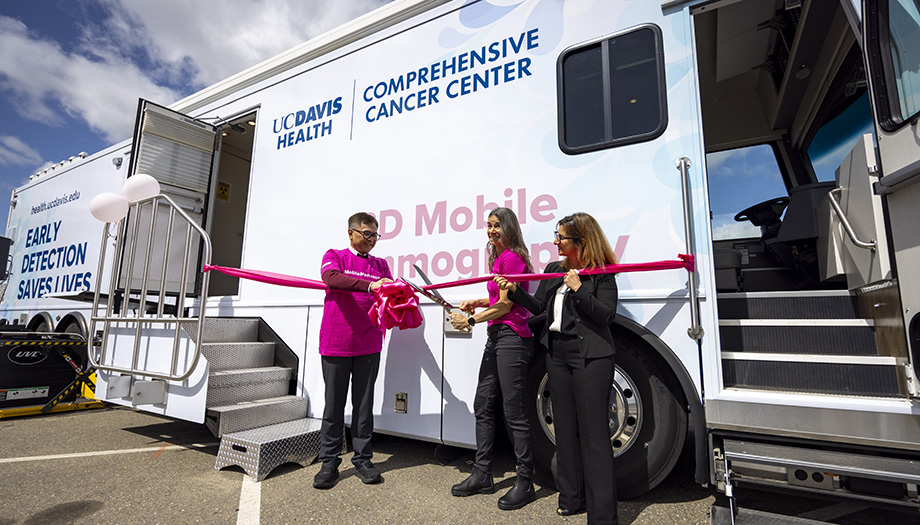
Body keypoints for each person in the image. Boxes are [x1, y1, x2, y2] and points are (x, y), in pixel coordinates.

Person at [496, 212, 619, 524]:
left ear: (580, 241)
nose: (555, 242)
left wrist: (579, 289)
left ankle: (603, 515)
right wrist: (514, 292)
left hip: (591, 356)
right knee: (563, 429)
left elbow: (606, 316)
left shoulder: (602, 273)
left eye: (561, 237)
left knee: (594, 434)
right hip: (558, 355)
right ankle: (571, 499)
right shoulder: (553, 270)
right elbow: (540, 309)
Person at [448, 207, 536, 511]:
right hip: (497, 337)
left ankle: (526, 481)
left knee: (514, 411)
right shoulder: (498, 258)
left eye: (497, 226)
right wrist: (477, 301)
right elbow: (499, 300)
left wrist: (471, 320)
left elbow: (506, 307)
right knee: (482, 403)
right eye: (489, 225)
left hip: (512, 337)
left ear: (509, 228)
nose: (491, 231)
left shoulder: (512, 257)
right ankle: (482, 474)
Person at [313, 212, 393, 490]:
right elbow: (332, 279)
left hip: (369, 343)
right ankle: (329, 462)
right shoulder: (334, 255)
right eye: (365, 234)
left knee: (363, 406)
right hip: (336, 343)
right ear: (350, 233)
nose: (371, 240)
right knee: (334, 406)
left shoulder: (381, 264)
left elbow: (389, 294)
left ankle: (363, 460)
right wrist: (370, 285)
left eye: (375, 235)